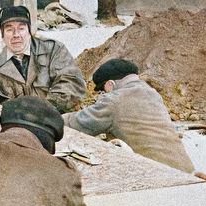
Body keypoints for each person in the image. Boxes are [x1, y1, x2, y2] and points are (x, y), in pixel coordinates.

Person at [63, 58, 194, 173]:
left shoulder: (114, 100)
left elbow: (78, 123)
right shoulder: (152, 94)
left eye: (103, 91)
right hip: (187, 172)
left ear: (110, 85)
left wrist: (48, 116)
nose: (102, 95)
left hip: (159, 175)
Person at [0, 5, 86, 113]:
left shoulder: (53, 50)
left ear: (29, 32)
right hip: (17, 125)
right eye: (9, 29)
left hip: (55, 120)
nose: (16, 35)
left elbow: (72, 84)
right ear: (2, 35)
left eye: (21, 28)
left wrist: (42, 111)